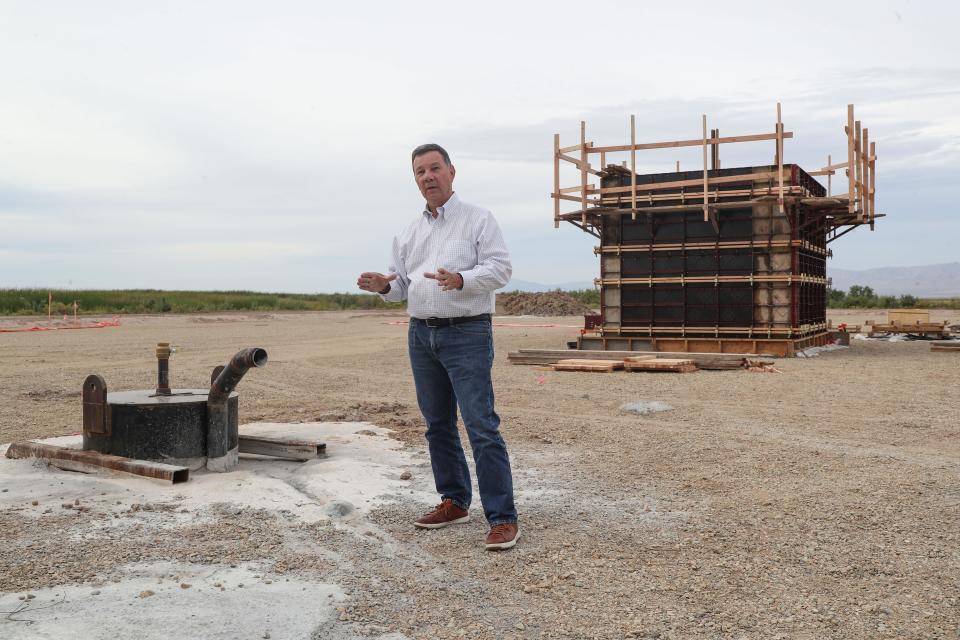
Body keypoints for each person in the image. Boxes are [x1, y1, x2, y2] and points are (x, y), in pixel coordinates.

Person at [357, 143, 518, 551]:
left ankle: (502, 517)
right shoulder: (409, 232)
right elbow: (403, 287)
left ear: (451, 171)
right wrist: (385, 286)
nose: (427, 177)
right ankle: (454, 501)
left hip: (466, 333)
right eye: (419, 172)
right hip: (421, 335)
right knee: (438, 426)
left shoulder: (479, 220)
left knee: (481, 426)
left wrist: (462, 279)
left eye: (434, 169)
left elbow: (500, 268)